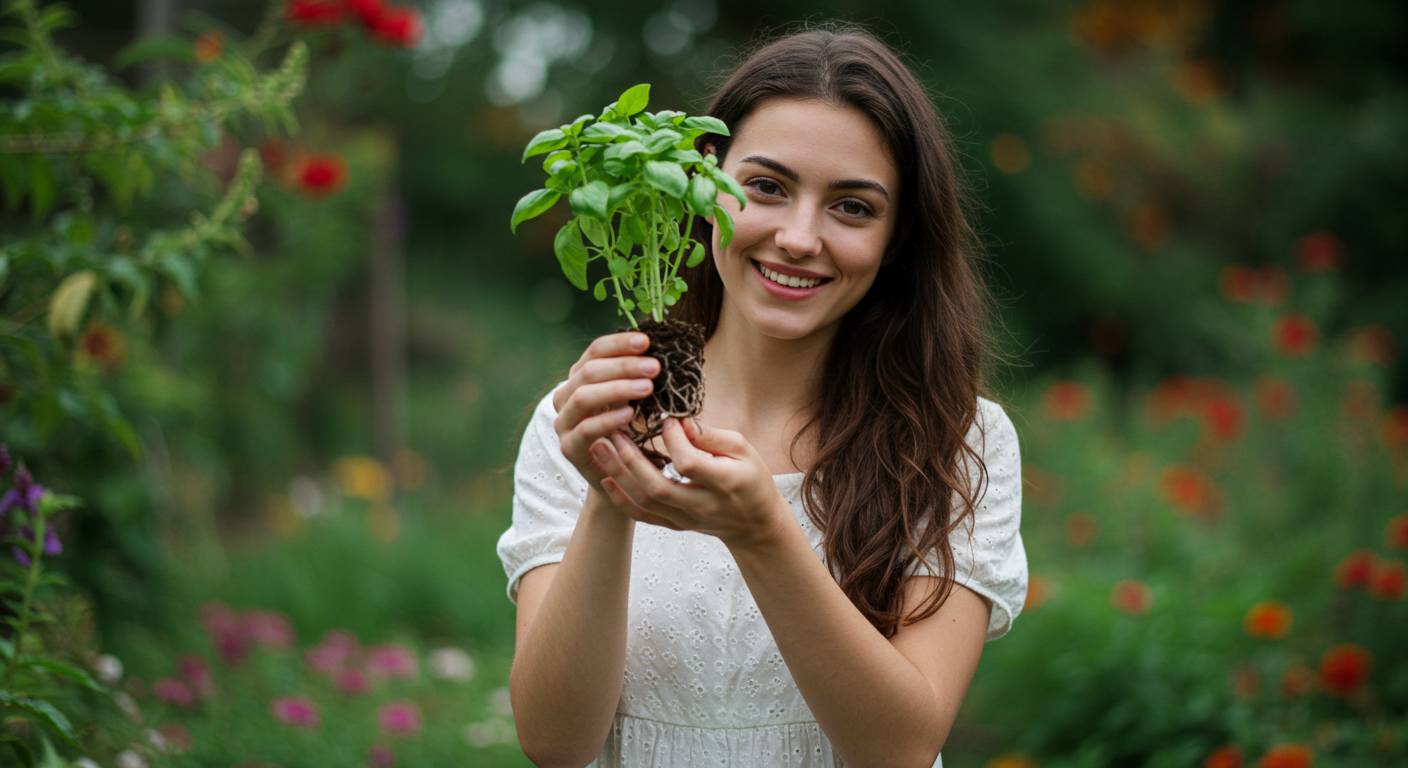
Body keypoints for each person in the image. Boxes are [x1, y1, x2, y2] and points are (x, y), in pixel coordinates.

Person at [496, 24, 1027, 768]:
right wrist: (611, 492)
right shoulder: (581, 420)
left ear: (898, 236)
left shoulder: (957, 441)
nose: (799, 237)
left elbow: (901, 748)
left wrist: (761, 533)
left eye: (852, 207)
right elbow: (554, 743)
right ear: (701, 183)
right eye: (767, 188)